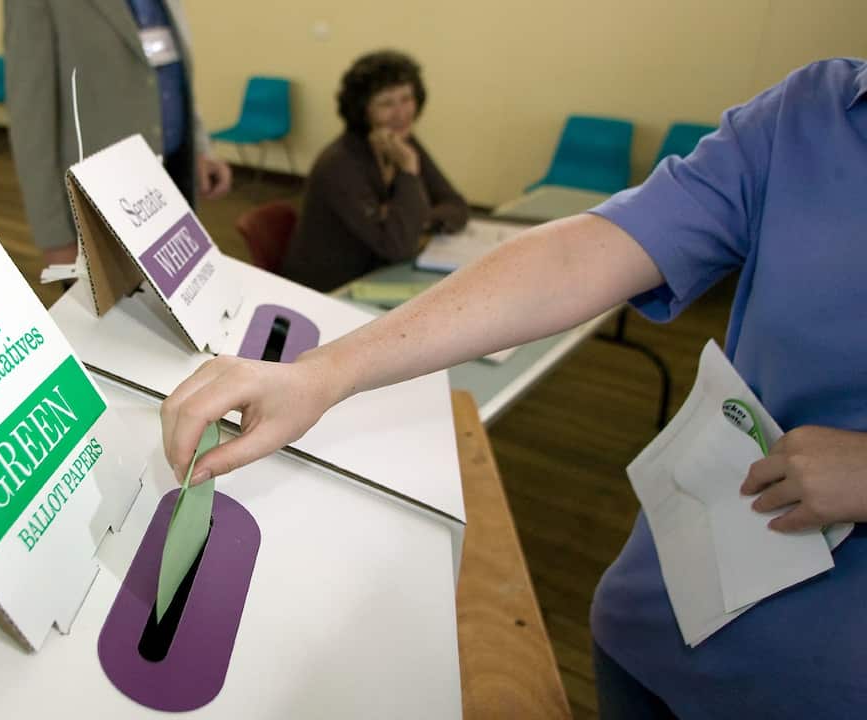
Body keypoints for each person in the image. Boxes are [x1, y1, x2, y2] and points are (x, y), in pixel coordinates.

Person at [161, 58, 867, 717]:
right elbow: (585, 251)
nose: (402, 112)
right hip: (669, 609)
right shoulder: (813, 110)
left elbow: (445, 209)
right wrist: (324, 372)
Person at [4, 0, 232, 266]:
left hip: (174, 181)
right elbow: (31, 119)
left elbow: (170, 72)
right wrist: (55, 237)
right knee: (119, 307)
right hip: (103, 206)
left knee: (176, 302)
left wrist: (200, 148)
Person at [280, 50, 469, 292]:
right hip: (332, 292)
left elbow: (455, 205)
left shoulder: (401, 143)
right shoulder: (340, 163)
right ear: (363, 110)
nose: (401, 113)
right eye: (386, 103)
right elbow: (398, 246)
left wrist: (411, 222)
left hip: (378, 273)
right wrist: (408, 172)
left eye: (406, 98)